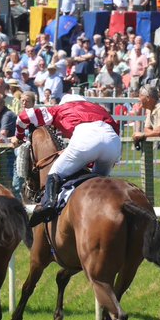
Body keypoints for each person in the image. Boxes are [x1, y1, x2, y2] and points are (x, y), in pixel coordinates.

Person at [12, 94, 121, 226]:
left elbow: (24, 116)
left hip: (85, 140)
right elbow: (113, 132)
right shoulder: (99, 109)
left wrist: (19, 137)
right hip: (113, 143)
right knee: (99, 182)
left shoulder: (59, 109)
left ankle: (48, 206)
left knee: (54, 173)